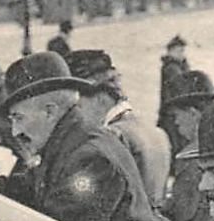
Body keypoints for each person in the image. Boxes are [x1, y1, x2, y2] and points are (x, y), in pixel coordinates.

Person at [0, 52, 181, 221]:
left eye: (18, 118)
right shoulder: (70, 145)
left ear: (50, 111)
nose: (16, 132)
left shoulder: (90, 157)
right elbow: (22, 187)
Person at [65, 49, 171, 209]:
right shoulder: (156, 132)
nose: (77, 116)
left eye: (79, 106)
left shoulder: (111, 136)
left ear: (100, 99)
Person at [160, 70, 214, 221]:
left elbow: (182, 215)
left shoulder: (190, 157)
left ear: (193, 114)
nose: (175, 122)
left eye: (176, 115)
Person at [157, 35, 191, 148]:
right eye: (180, 51)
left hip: (169, 113)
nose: (182, 54)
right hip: (172, 113)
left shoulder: (173, 66)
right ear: (171, 51)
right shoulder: (172, 68)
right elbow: (182, 87)